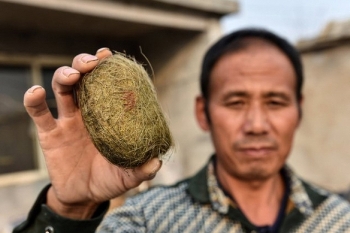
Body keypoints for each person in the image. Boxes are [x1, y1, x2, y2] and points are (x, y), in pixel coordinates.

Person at [14, 28, 350, 233]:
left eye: (275, 102)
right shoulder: (145, 221)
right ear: (203, 113)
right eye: (235, 102)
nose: (257, 125)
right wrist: (70, 211)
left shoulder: (340, 221)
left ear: (298, 111)